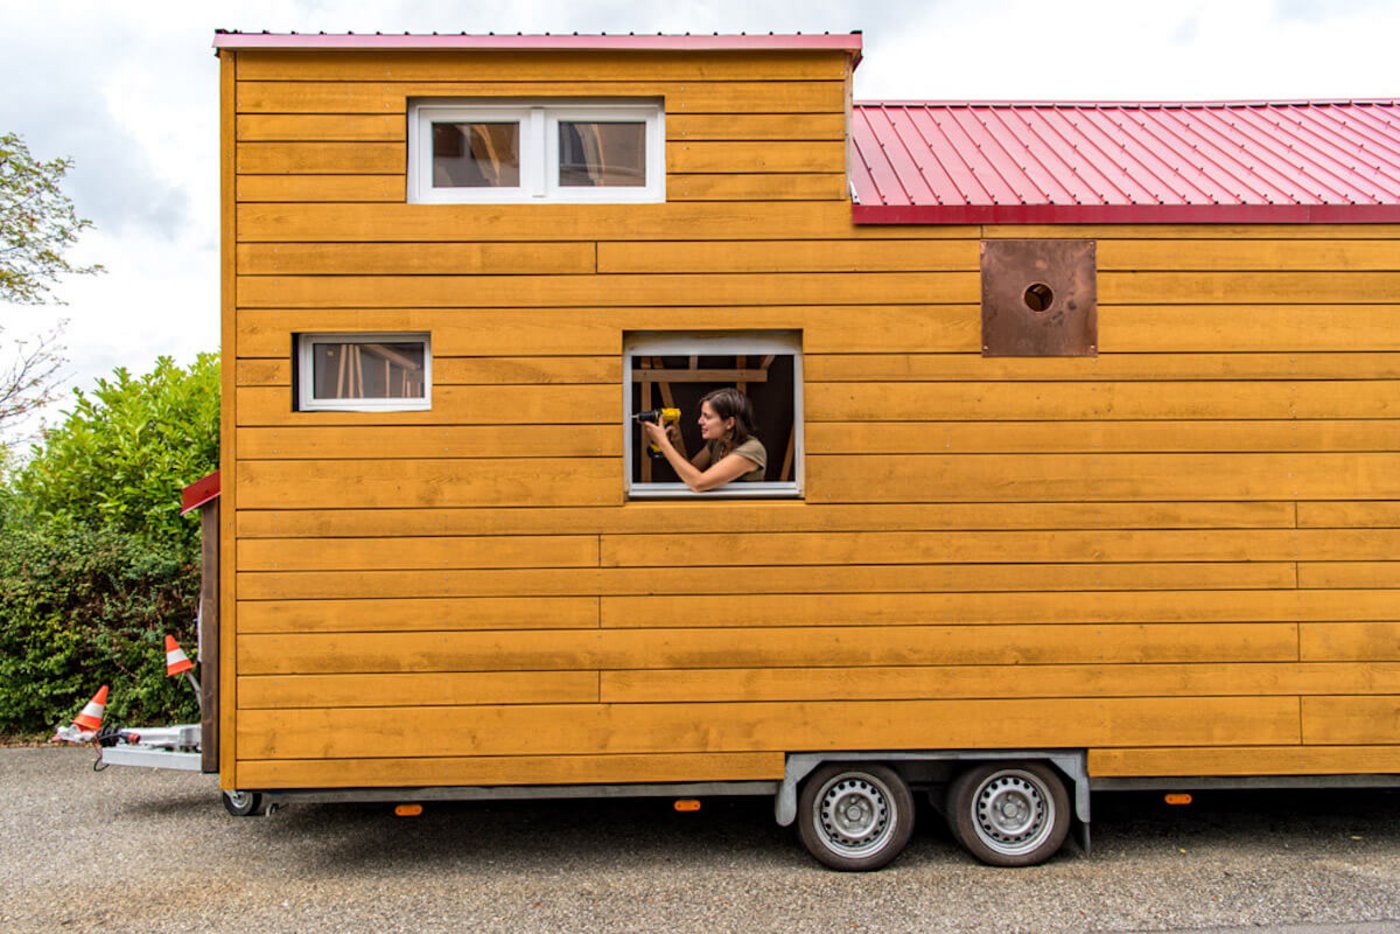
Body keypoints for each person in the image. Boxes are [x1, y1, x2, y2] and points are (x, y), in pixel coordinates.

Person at [641, 387, 767, 492]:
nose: (700, 421)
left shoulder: (752, 450)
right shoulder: (718, 442)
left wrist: (663, 443)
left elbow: (698, 483)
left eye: (707, 417)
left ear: (729, 423)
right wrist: (676, 442)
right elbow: (691, 471)